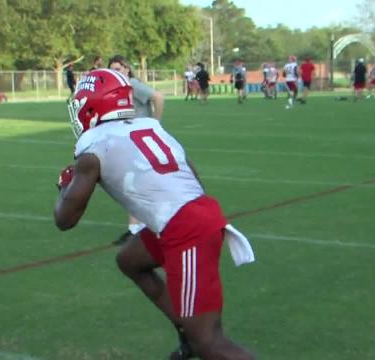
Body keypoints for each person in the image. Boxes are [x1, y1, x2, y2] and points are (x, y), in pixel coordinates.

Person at [57, 69, 256, 360]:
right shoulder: (150, 126)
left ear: (92, 105)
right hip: (195, 212)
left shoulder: (93, 148)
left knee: (209, 343)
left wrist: (64, 187)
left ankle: (193, 335)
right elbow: (193, 177)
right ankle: (184, 329)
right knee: (130, 260)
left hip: (185, 229)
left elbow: (65, 220)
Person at [107, 55, 165, 245]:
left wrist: (155, 123)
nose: (116, 72)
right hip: (128, 141)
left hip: (140, 142)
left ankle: (147, 228)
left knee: (138, 185)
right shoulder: (118, 88)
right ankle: (135, 230)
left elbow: (158, 97)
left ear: (127, 69)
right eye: (112, 69)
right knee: (131, 185)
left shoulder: (131, 84)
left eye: (119, 68)